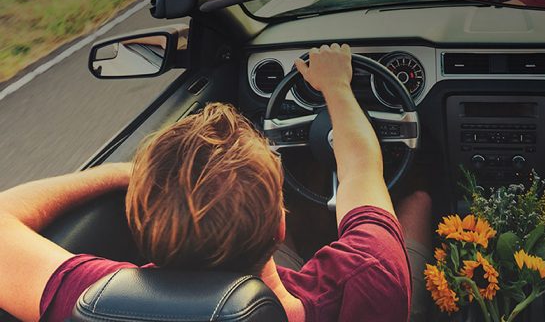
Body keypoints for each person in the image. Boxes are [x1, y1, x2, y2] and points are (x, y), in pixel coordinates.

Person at [0, 44, 412, 321]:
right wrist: (338, 86)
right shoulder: (368, 277)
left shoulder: (102, 301)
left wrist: (130, 172)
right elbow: (361, 169)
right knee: (421, 198)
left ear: (139, 225)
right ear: (279, 226)